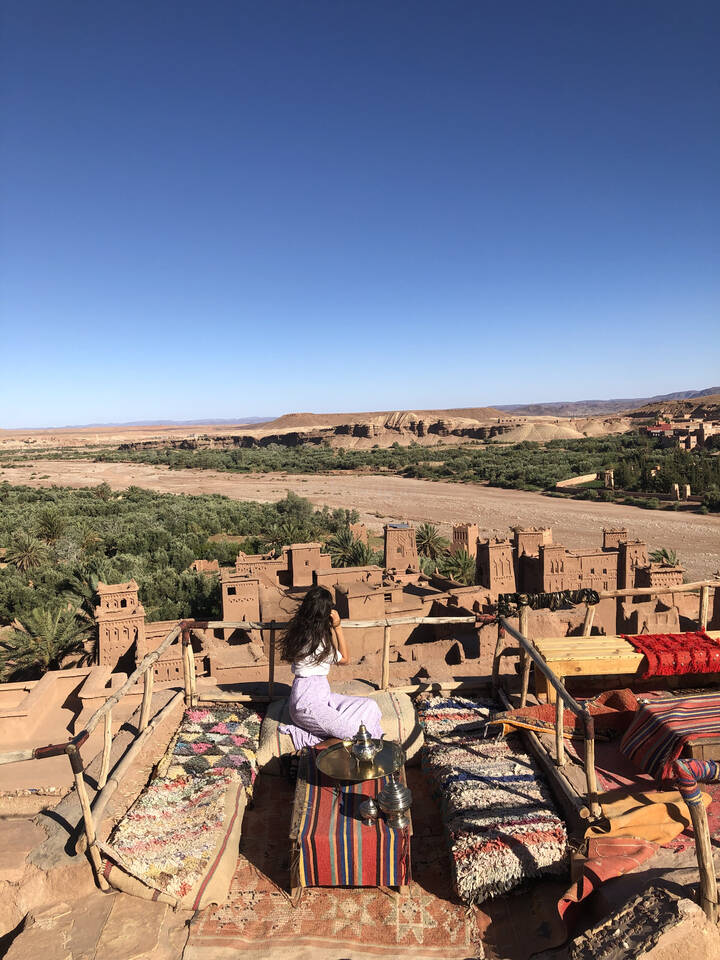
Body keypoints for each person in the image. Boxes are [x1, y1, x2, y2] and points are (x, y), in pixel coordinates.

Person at [278, 585, 383, 750]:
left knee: (370, 706)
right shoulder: (315, 643)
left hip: (322, 697)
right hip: (307, 704)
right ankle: (311, 751)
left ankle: (336, 738)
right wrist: (338, 627)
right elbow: (345, 659)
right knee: (357, 733)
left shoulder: (302, 633)